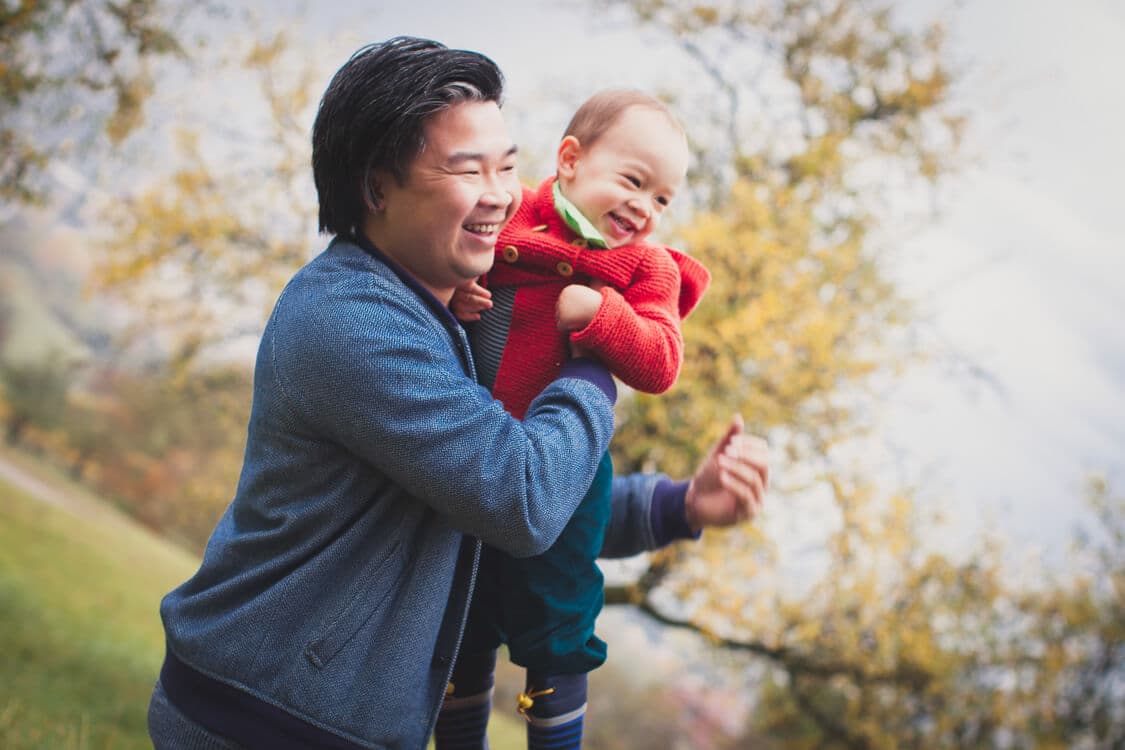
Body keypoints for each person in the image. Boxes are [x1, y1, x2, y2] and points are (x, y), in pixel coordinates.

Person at [147, 36, 769, 750]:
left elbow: (529, 496)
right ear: (378, 187)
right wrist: (602, 345)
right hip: (265, 717)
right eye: (466, 168)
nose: (501, 193)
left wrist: (681, 504)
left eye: (506, 165)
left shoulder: (452, 317)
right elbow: (522, 496)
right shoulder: (353, 321)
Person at [442, 90, 709, 749]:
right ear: (569, 161)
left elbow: (660, 360)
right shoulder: (510, 216)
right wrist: (457, 287)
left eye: (662, 199)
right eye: (632, 180)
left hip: (566, 480)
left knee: (556, 624)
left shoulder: (644, 266)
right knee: (460, 620)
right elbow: (444, 260)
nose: (645, 207)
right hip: (473, 455)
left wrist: (599, 315)